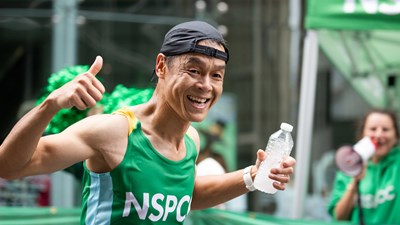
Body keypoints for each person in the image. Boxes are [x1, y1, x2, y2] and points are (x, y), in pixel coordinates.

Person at [0, 21, 295, 224]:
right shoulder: (114, 131)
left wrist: (251, 176)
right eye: (194, 70)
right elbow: (10, 167)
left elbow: (185, 195)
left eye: (216, 75)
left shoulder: (191, 139)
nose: (206, 85)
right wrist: (50, 104)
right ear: (162, 66)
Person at [328, 108, 400, 224]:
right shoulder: (349, 168)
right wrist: (354, 182)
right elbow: (339, 216)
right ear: (363, 134)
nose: (378, 134)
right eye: (373, 129)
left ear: (396, 136)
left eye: (385, 129)